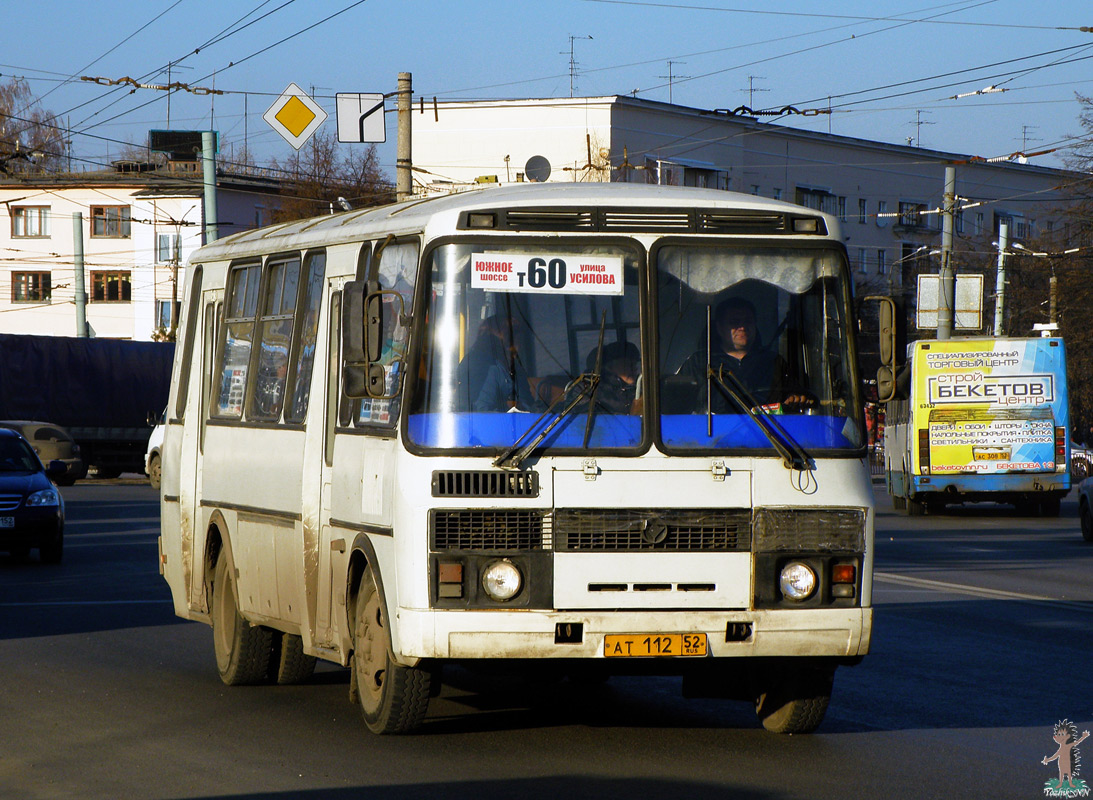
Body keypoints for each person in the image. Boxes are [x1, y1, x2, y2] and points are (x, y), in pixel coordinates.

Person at [676, 296, 812, 413]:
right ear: (719, 327)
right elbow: (679, 405)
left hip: (770, 437)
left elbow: (801, 397)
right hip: (713, 438)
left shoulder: (773, 362)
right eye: (734, 322)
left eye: (748, 321)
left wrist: (796, 398)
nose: (742, 327)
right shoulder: (699, 362)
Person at [459, 313, 536, 412]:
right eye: (510, 337)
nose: (517, 346)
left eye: (518, 336)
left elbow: (527, 403)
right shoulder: (484, 368)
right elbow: (481, 412)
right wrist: (507, 411)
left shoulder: (516, 369)